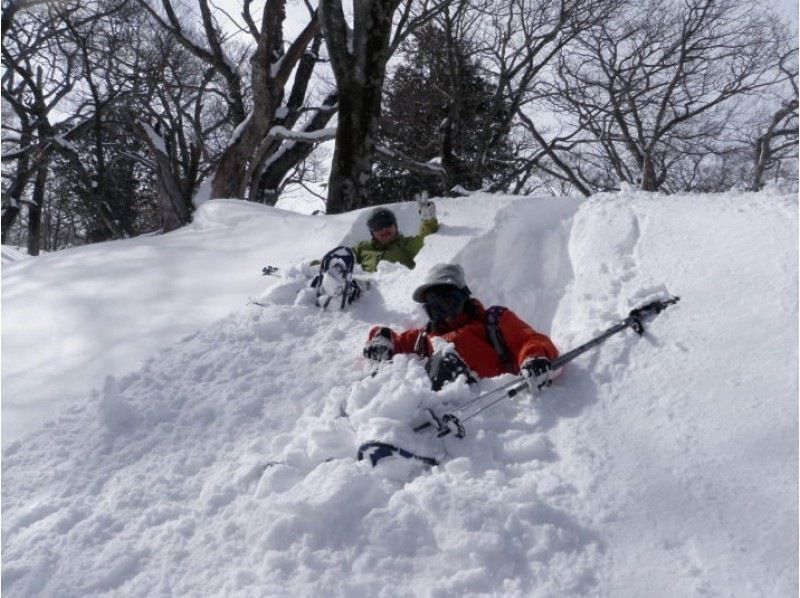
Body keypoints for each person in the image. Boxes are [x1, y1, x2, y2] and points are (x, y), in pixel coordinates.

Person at [362, 263, 559, 392]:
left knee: (446, 357)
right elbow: (396, 340)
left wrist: (534, 358)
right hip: (448, 415)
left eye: (447, 304)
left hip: (498, 412)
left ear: (463, 298)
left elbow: (531, 340)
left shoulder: (494, 321)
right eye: (434, 308)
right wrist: (381, 337)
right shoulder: (428, 336)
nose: (442, 314)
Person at [351, 197, 438, 273]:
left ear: (395, 226)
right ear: (372, 232)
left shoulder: (406, 244)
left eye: (388, 224)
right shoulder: (362, 248)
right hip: (368, 290)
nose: (384, 229)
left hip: (399, 290)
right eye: (378, 226)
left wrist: (428, 222)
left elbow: (428, 241)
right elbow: (345, 256)